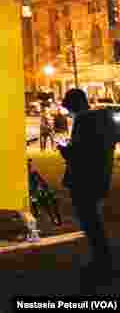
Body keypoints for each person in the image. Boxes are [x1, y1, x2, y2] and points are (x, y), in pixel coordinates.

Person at [58, 88, 115, 290]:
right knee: (94, 220)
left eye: (69, 108)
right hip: (100, 178)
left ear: (75, 105)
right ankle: (103, 260)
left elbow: (78, 154)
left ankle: (103, 262)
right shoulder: (105, 119)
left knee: (91, 222)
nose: (69, 113)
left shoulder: (83, 121)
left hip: (83, 181)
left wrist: (64, 150)